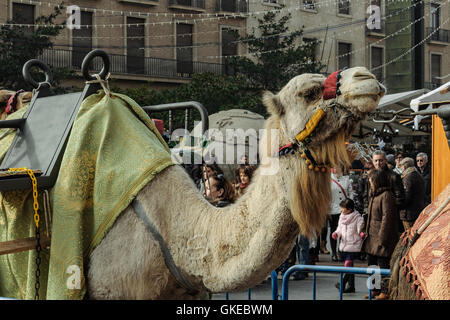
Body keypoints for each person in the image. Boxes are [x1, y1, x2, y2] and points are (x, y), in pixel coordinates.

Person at [361, 169, 399, 300]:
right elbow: (369, 215)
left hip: (382, 237)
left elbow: (387, 218)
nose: (370, 183)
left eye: (372, 181)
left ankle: (385, 291)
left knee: (383, 265)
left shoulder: (387, 195)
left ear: (378, 181)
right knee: (371, 265)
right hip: (371, 237)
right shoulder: (373, 194)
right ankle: (374, 289)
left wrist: (382, 238)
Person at [332, 198, 364, 293]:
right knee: (350, 266)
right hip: (344, 244)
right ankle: (351, 287)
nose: (342, 210)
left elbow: (360, 228)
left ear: (349, 209)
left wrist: (361, 233)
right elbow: (339, 229)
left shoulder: (357, 217)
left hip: (353, 244)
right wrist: (336, 234)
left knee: (348, 265)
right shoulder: (341, 217)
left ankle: (342, 283)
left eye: (343, 208)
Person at [329, 167, 354, 262]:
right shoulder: (328, 179)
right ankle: (334, 253)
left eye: (338, 167)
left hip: (345, 210)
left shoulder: (346, 179)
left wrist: (350, 205)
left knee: (344, 232)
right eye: (334, 167)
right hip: (332, 210)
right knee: (334, 231)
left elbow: (350, 193)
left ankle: (341, 252)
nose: (336, 169)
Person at [398, 157, 426, 230]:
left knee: (410, 235)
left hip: (409, 213)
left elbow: (407, 197)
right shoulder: (417, 175)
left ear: (404, 166)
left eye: (401, 166)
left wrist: (399, 205)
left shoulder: (408, 177)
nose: (401, 168)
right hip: (418, 210)